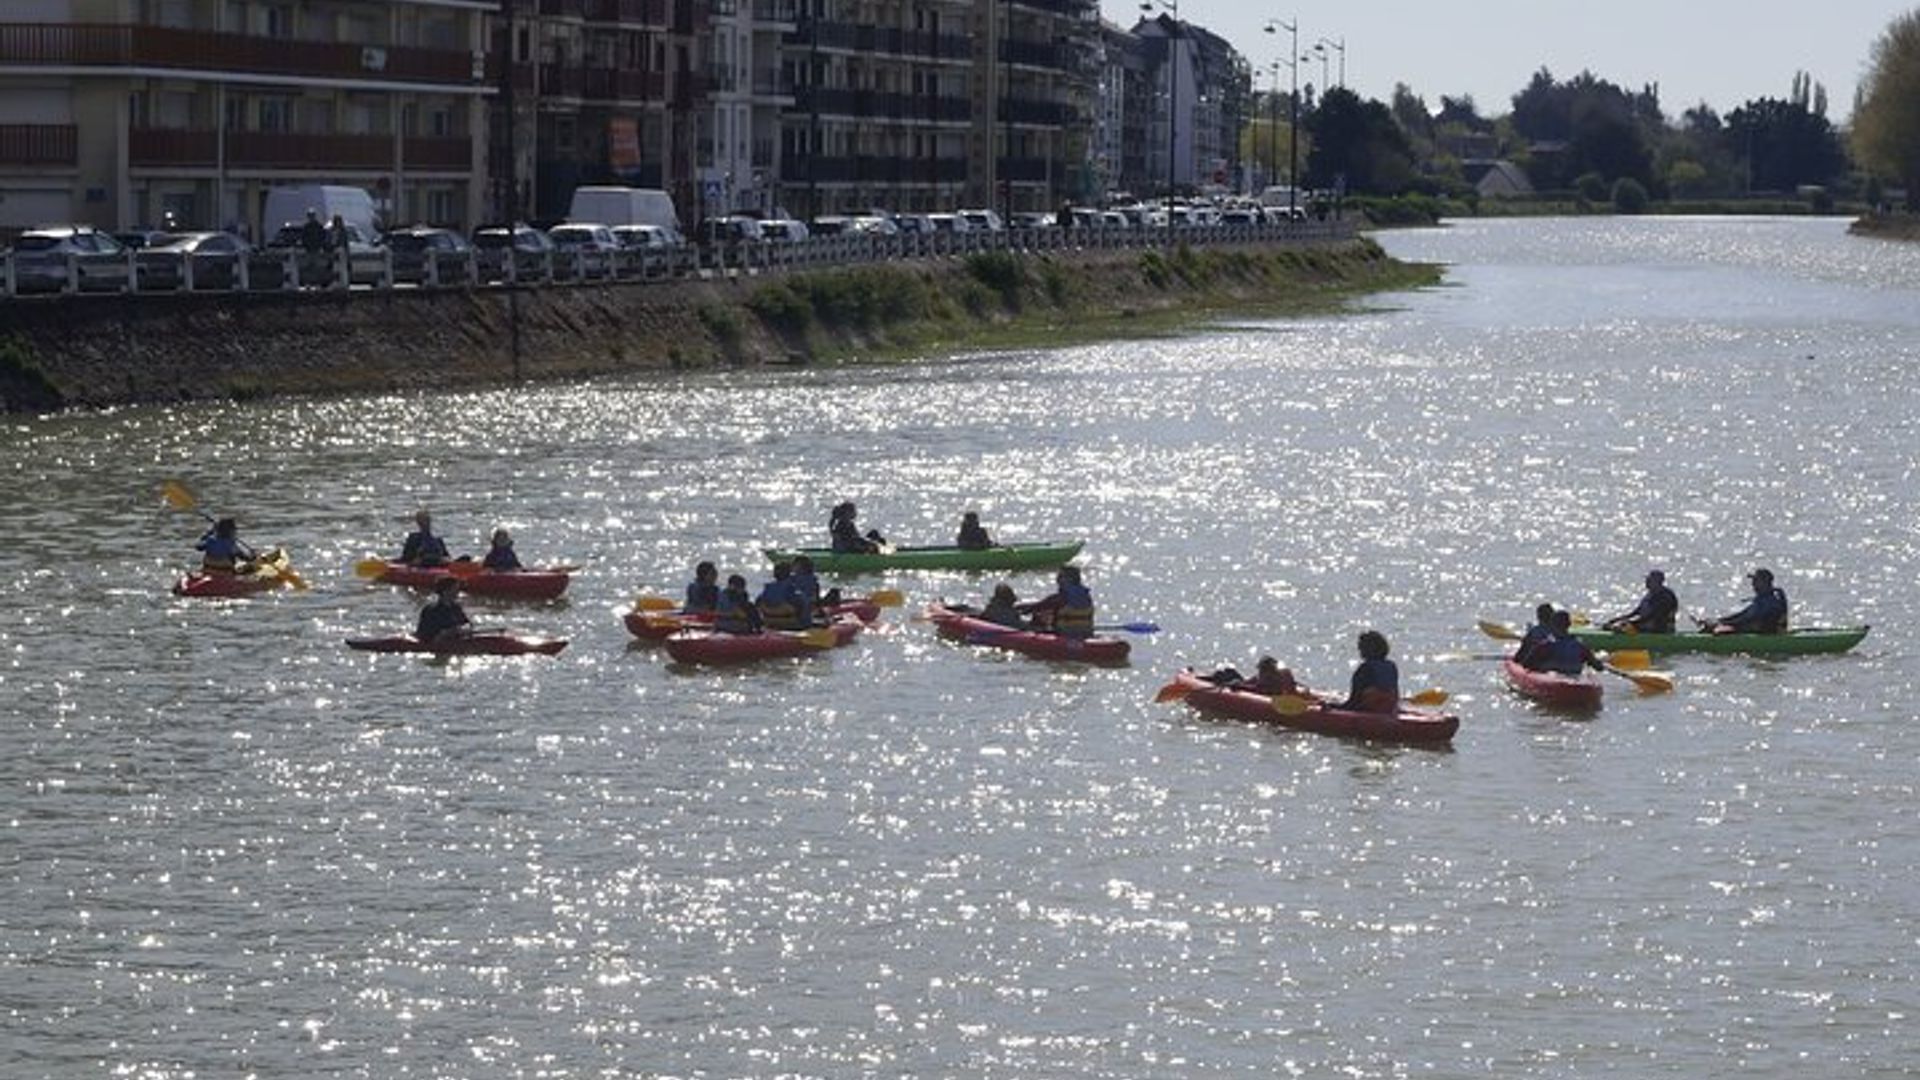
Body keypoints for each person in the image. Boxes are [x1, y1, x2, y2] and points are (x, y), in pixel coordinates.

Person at [1331, 630, 1399, 713]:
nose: (1359, 649)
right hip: (1389, 710)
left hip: (1368, 711)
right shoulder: (1391, 666)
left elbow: (1353, 702)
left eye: (1361, 647)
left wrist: (1331, 707)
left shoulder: (1365, 669)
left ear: (1367, 649)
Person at [1705, 568, 1789, 634]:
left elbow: (1746, 619)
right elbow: (1743, 615)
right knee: (1716, 626)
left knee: (1719, 631)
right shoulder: (1764, 598)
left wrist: (1721, 623)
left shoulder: (1771, 601)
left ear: (1765, 582)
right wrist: (1719, 620)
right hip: (1759, 629)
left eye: (1756, 581)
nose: (1752, 584)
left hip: (1767, 633)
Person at [1019, 565, 1094, 638]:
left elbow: (1042, 605)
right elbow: (1042, 604)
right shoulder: (1085, 595)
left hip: (1066, 634)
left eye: (1061, 576)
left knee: (1040, 615)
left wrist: (1023, 610)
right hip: (1086, 633)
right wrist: (1025, 607)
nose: (1057, 579)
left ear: (1070, 579)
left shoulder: (1061, 597)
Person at [1529, 610, 1604, 675]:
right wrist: (1594, 661)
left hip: (1555, 678)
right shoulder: (1581, 646)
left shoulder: (1546, 645)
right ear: (1569, 625)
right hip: (1574, 677)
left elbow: (1528, 664)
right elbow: (1599, 668)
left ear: (1552, 625)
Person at [1604, 569, 1678, 634]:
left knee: (1621, 628)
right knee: (1612, 626)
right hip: (1645, 624)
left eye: (1649, 580)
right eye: (1647, 580)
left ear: (1657, 582)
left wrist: (1630, 623)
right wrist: (1616, 619)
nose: (1646, 582)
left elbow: (1652, 616)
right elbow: (1636, 612)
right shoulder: (1650, 595)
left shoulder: (1665, 597)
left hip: (1659, 629)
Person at [756, 562, 811, 631]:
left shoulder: (770, 588)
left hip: (775, 621)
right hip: (792, 623)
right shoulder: (794, 587)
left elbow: (760, 605)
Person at [415, 577, 471, 644]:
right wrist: (446, 633)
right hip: (436, 645)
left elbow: (467, 624)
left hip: (455, 641)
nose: (457, 593)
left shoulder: (456, 608)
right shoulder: (431, 610)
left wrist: (463, 629)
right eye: (455, 589)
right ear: (445, 592)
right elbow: (425, 636)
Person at [1513, 603, 1558, 667]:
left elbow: (1520, 655)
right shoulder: (1560, 631)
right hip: (1555, 664)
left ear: (1538, 617)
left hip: (1539, 664)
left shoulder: (1534, 631)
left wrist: (1515, 661)